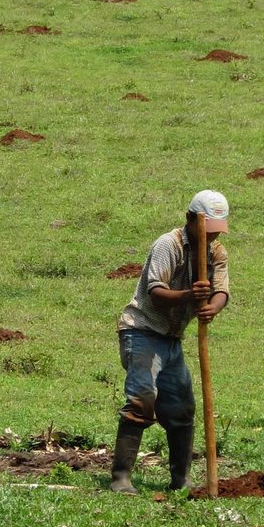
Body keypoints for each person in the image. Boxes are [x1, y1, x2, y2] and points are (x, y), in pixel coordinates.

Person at [111, 189, 230, 493]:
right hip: (142, 331)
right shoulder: (169, 244)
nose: (212, 237)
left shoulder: (217, 252)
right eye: (208, 230)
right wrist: (190, 295)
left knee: (181, 408)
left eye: (217, 231)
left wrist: (212, 307)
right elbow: (156, 292)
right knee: (142, 400)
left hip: (172, 340)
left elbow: (221, 290)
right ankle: (121, 477)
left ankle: (181, 479)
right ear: (190, 219)